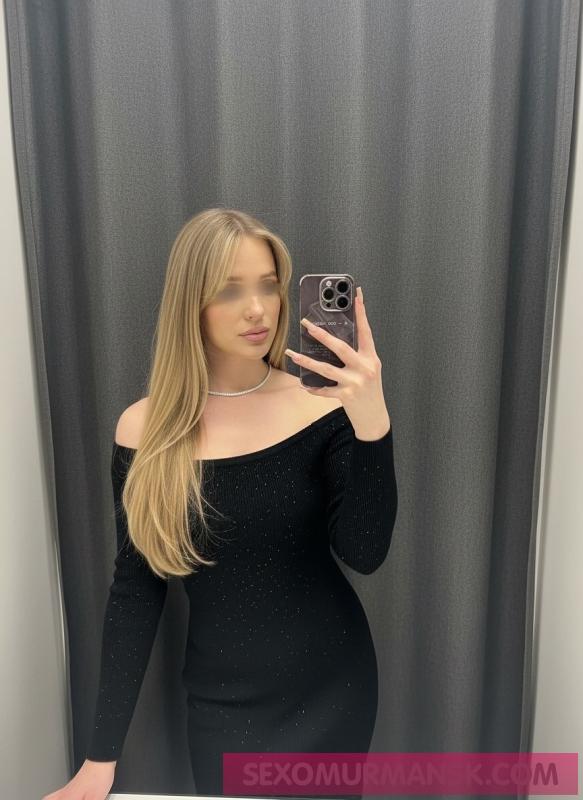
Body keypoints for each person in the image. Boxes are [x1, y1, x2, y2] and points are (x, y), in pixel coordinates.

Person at [43, 207, 398, 800]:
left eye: (268, 285)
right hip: (221, 702)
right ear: (192, 303)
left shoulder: (323, 407)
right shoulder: (145, 430)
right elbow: (136, 591)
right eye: (230, 290)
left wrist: (373, 426)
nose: (258, 309)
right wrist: (100, 758)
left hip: (332, 687)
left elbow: (365, 552)